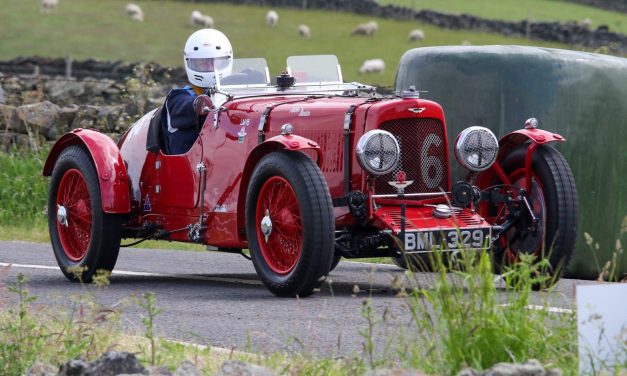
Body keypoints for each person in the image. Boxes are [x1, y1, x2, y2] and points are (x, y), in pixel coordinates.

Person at [161, 29, 233, 154]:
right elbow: (186, 106)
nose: (210, 67)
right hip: (188, 170)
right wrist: (201, 103)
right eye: (202, 63)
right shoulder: (177, 98)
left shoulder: (232, 94)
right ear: (189, 62)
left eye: (215, 62)